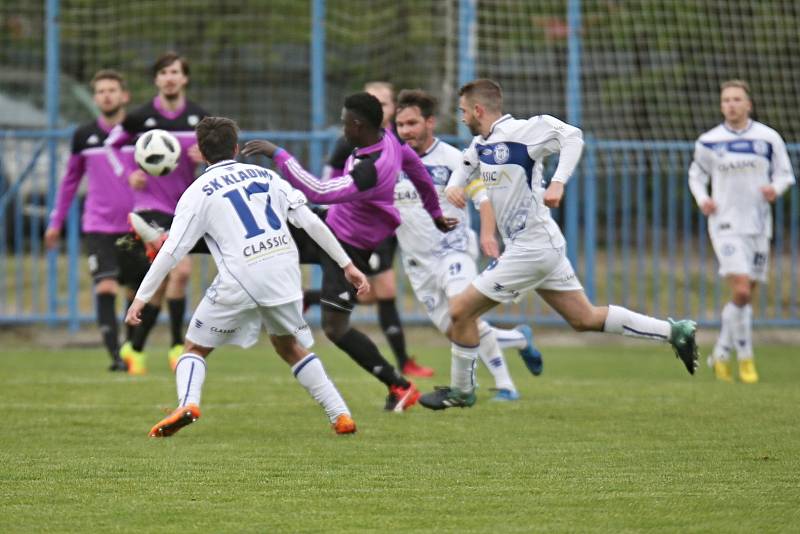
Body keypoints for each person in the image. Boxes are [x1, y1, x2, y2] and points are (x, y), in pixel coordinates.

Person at [419, 79, 699, 410]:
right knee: (584, 318)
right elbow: (467, 164)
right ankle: (675, 331)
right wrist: (454, 185)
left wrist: (558, 182)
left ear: (478, 110)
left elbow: (572, 135)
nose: (462, 118)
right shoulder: (482, 143)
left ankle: (461, 390)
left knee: (459, 310)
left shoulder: (526, 131)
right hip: (539, 246)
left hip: (532, 249)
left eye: (463, 111)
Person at [126, 116, 366, 437]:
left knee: (194, 349)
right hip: (284, 273)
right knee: (287, 346)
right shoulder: (268, 176)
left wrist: (141, 298)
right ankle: (341, 415)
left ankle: (187, 402)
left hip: (241, 278)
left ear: (201, 151)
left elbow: (171, 251)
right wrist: (346, 264)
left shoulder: (197, 192)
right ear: (236, 148)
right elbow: (311, 223)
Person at [242, 92, 457, 411]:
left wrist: (279, 154)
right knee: (264, 234)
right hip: (328, 227)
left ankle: (399, 386)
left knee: (335, 328)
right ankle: (171, 242)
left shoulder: (373, 167)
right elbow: (420, 174)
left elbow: (319, 191)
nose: (342, 129)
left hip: (348, 247)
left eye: (344, 123)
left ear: (357, 125)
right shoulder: (388, 141)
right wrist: (436, 213)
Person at [393, 89, 543, 401]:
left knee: (464, 315)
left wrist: (488, 234)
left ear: (430, 122)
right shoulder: (392, 163)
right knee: (456, 329)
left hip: (454, 249)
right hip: (417, 262)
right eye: (401, 125)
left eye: (412, 123)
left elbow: (483, 199)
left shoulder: (453, 159)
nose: (406, 130)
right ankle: (518, 338)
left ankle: (502, 386)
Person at [313, 81, 435, 378]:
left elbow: (418, 171)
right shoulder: (350, 141)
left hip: (386, 227)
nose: (381, 107)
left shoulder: (393, 142)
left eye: (385, 103)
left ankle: (401, 365)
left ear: (392, 108)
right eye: (375, 102)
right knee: (380, 291)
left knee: (378, 292)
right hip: (358, 226)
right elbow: (327, 180)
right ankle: (402, 365)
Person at [106, 51, 210, 375]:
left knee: (164, 282)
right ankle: (178, 345)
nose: (169, 77)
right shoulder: (140, 117)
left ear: (184, 78)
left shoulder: (199, 118)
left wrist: (205, 156)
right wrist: (127, 173)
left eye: (175, 72)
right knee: (180, 272)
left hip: (185, 208)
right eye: (163, 72)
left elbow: (218, 155)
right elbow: (110, 144)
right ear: (156, 79)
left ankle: (134, 348)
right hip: (149, 208)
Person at [689, 79, 795, 384]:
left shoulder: (768, 138)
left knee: (746, 297)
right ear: (721, 106)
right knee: (741, 290)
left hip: (759, 225)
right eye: (726, 100)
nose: (731, 105)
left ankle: (721, 353)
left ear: (748, 104)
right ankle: (745, 358)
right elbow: (696, 176)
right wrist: (703, 198)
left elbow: (785, 174)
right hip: (725, 224)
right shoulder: (709, 141)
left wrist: (774, 188)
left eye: (736, 99)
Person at [45, 69, 135, 372]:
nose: (106, 95)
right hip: (98, 226)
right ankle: (115, 357)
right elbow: (70, 182)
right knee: (105, 287)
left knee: (136, 293)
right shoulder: (84, 136)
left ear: (125, 96)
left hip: (137, 226)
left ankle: (133, 350)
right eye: (100, 91)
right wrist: (55, 221)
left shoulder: (139, 135)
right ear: (95, 98)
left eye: (112, 89)